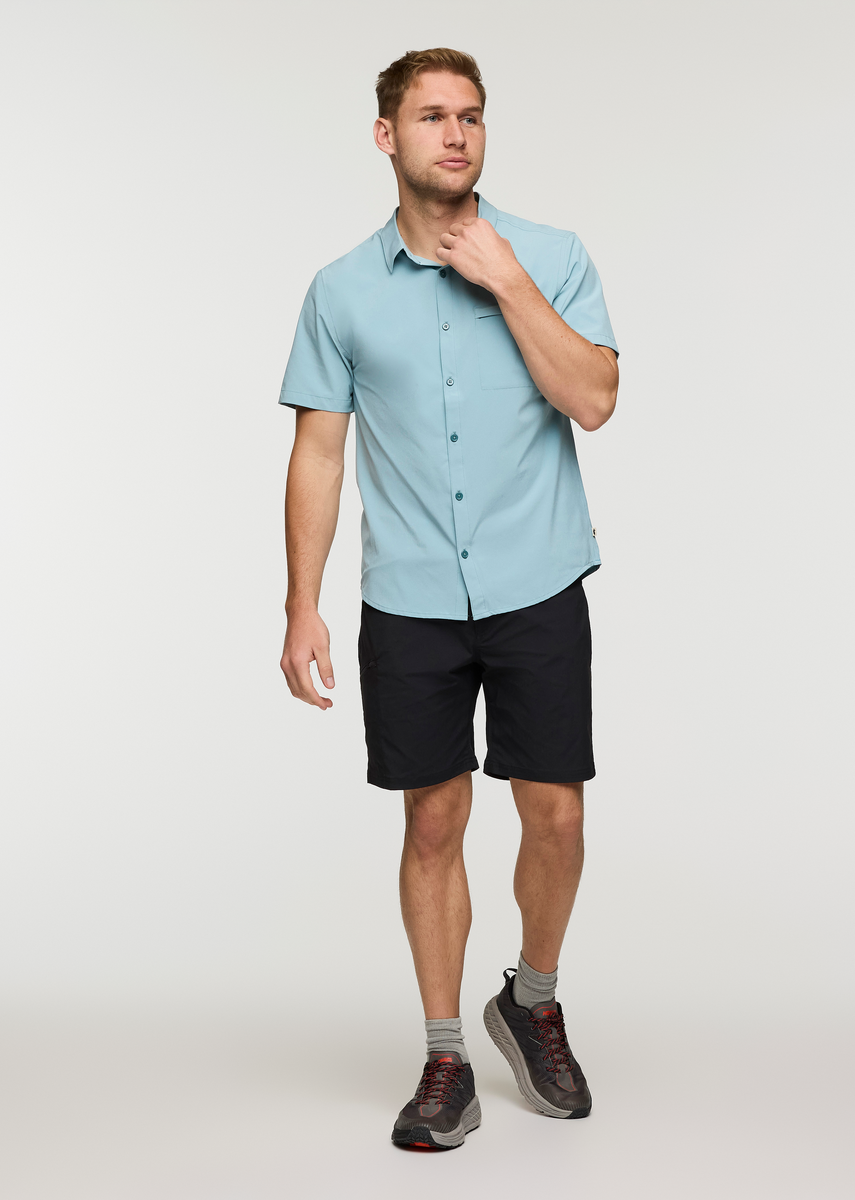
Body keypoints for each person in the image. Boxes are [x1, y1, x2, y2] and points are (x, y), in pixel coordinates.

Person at [278, 47, 618, 1151]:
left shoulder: (551, 256)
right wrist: (301, 604)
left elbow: (595, 400)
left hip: (537, 581)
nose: (456, 133)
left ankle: (533, 1001)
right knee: (432, 819)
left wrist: (507, 281)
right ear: (388, 136)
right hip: (411, 596)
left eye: (470, 115)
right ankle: (443, 1056)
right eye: (431, 116)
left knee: (556, 813)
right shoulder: (341, 291)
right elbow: (319, 453)